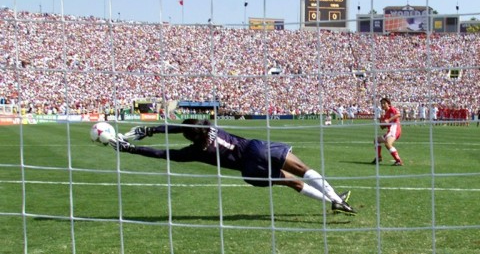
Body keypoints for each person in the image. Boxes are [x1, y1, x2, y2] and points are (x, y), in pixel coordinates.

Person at [109, 118, 357, 215]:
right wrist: (152, 129)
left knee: (293, 182)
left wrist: (133, 148)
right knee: (303, 168)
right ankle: (337, 198)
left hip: (248, 170)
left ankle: (332, 202)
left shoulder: (196, 152)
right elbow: (179, 127)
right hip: (255, 148)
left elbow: (164, 154)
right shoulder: (211, 127)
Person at [371, 97, 403, 166]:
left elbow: (398, 114)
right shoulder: (385, 114)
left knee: (388, 143)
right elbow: (382, 127)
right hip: (390, 130)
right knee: (376, 140)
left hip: (395, 128)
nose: (382, 105)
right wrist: (381, 120)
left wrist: (388, 120)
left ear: (388, 104)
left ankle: (398, 161)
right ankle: (378, 157)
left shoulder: (392, 109)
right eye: (381, 103)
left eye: (384, 103)